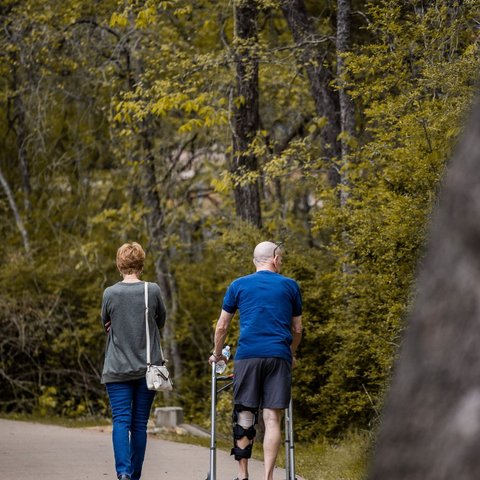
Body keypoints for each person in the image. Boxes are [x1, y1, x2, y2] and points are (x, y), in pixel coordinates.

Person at [209, 241, 303, 480]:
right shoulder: (290, 286)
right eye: (280, 257)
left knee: (245, 414)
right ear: (274, 258)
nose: (281, 262)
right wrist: (291, 353)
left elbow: (222, 326)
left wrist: (218, 353)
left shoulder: (238, 285)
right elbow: (298, 328)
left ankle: (243, 476)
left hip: (248, 355)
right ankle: (268, 477)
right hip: (278, 356)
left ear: (254, 261)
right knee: (272, 418)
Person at [101, 242, 166, 480]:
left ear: (120, 264)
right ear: (141, 264)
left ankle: (123, 473)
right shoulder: (153, 290)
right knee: (139, 423)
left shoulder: (110, 293)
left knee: (120, 421)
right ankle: (135, 475)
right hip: (147, 369)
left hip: (117, 368)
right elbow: (160, 322)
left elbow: (105, 324)